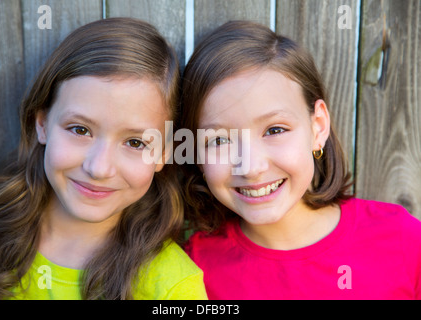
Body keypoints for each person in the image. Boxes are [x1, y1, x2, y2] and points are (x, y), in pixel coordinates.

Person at [180, 20, 421, 299]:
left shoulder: (403, 240)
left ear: (317, 126)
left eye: (274, 130)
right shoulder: (194, 271)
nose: (252, 167)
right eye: (219, 140)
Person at [0, 17, 207, 300]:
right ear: (42, 124)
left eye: (135, 142)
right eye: (80, 129)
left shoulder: (173, 287)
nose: (98, 168)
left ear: (164, 154)